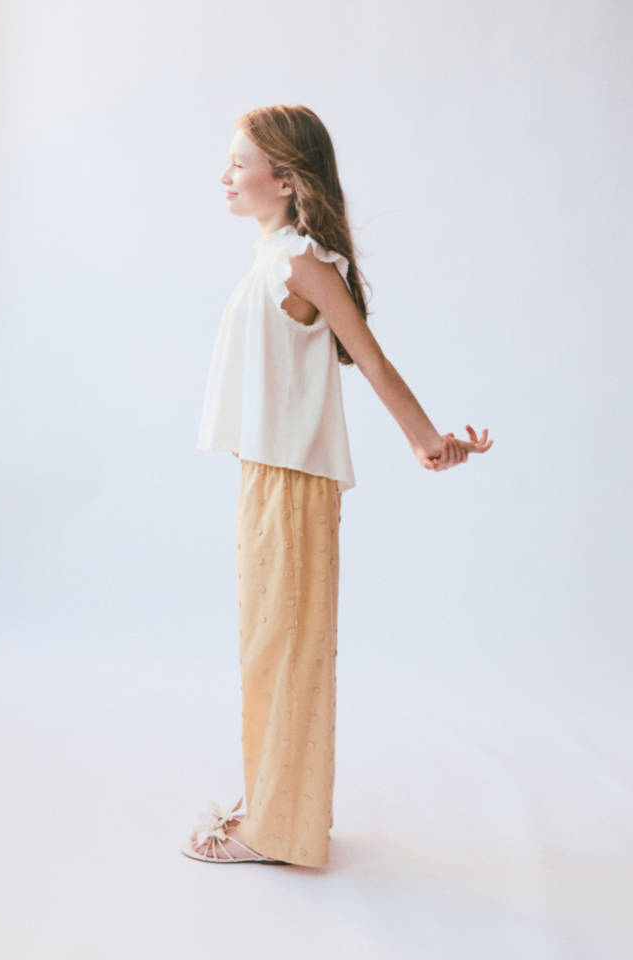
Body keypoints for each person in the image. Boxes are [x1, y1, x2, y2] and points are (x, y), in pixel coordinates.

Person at [181, 104, 493, 868]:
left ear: (286, 180)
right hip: (269, 474)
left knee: (282, 647)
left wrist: (427, 442)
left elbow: (370, 358)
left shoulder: (303, 263)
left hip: (292, 481)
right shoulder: (274, 256)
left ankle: (274, 829)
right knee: (271, 646)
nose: (225, 175)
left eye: (239, 163)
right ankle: (280, 810)